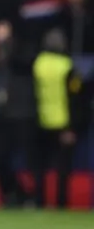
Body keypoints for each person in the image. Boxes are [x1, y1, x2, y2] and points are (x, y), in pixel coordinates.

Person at [32, 29, 89, 209]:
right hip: (63, 123)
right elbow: (77, 98)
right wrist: (73, 126)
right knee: (62, 168)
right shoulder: (67, 66)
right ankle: (60, 203)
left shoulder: (38, 64)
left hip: (41, 121)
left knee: (40, 167)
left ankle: (39, 201)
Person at [0, 21, 36, 206]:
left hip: (23, 113)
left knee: (30, 159)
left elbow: (22, 62)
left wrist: (6, 43)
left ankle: (34, 198)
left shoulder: (23, 49)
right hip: (1, 114)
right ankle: (13, 193)